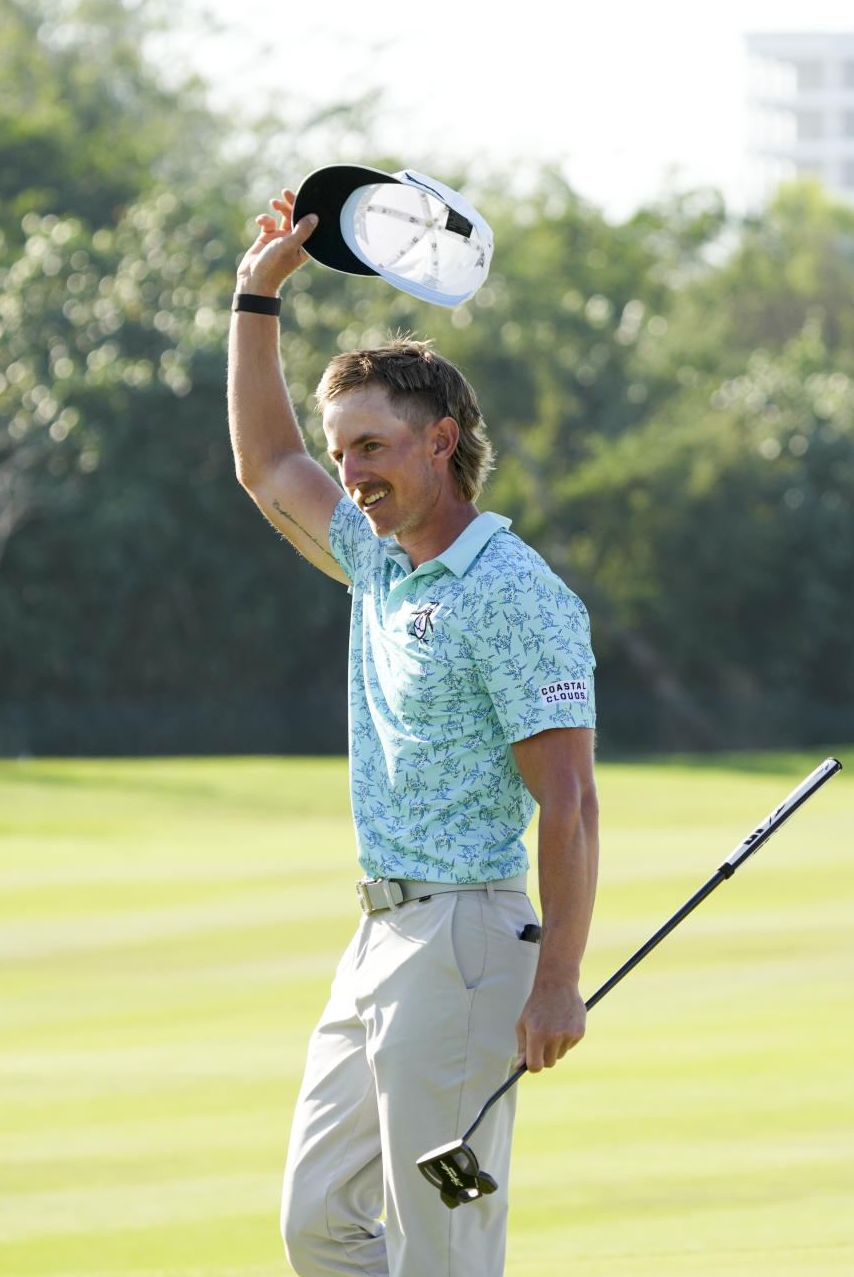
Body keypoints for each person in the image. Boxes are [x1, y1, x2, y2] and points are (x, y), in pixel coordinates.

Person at [228, 188, 599, 1277]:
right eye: (342, 452)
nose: (349, 475)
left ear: (442, 442)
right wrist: (255, 298)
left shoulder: (511, 590)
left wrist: (558, 976)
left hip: (468, 947)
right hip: (379, 938)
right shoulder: (380, 560)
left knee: (445, 1238)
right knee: (320, 1222)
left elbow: (569, 799)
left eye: (372, 448)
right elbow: (264, 465)